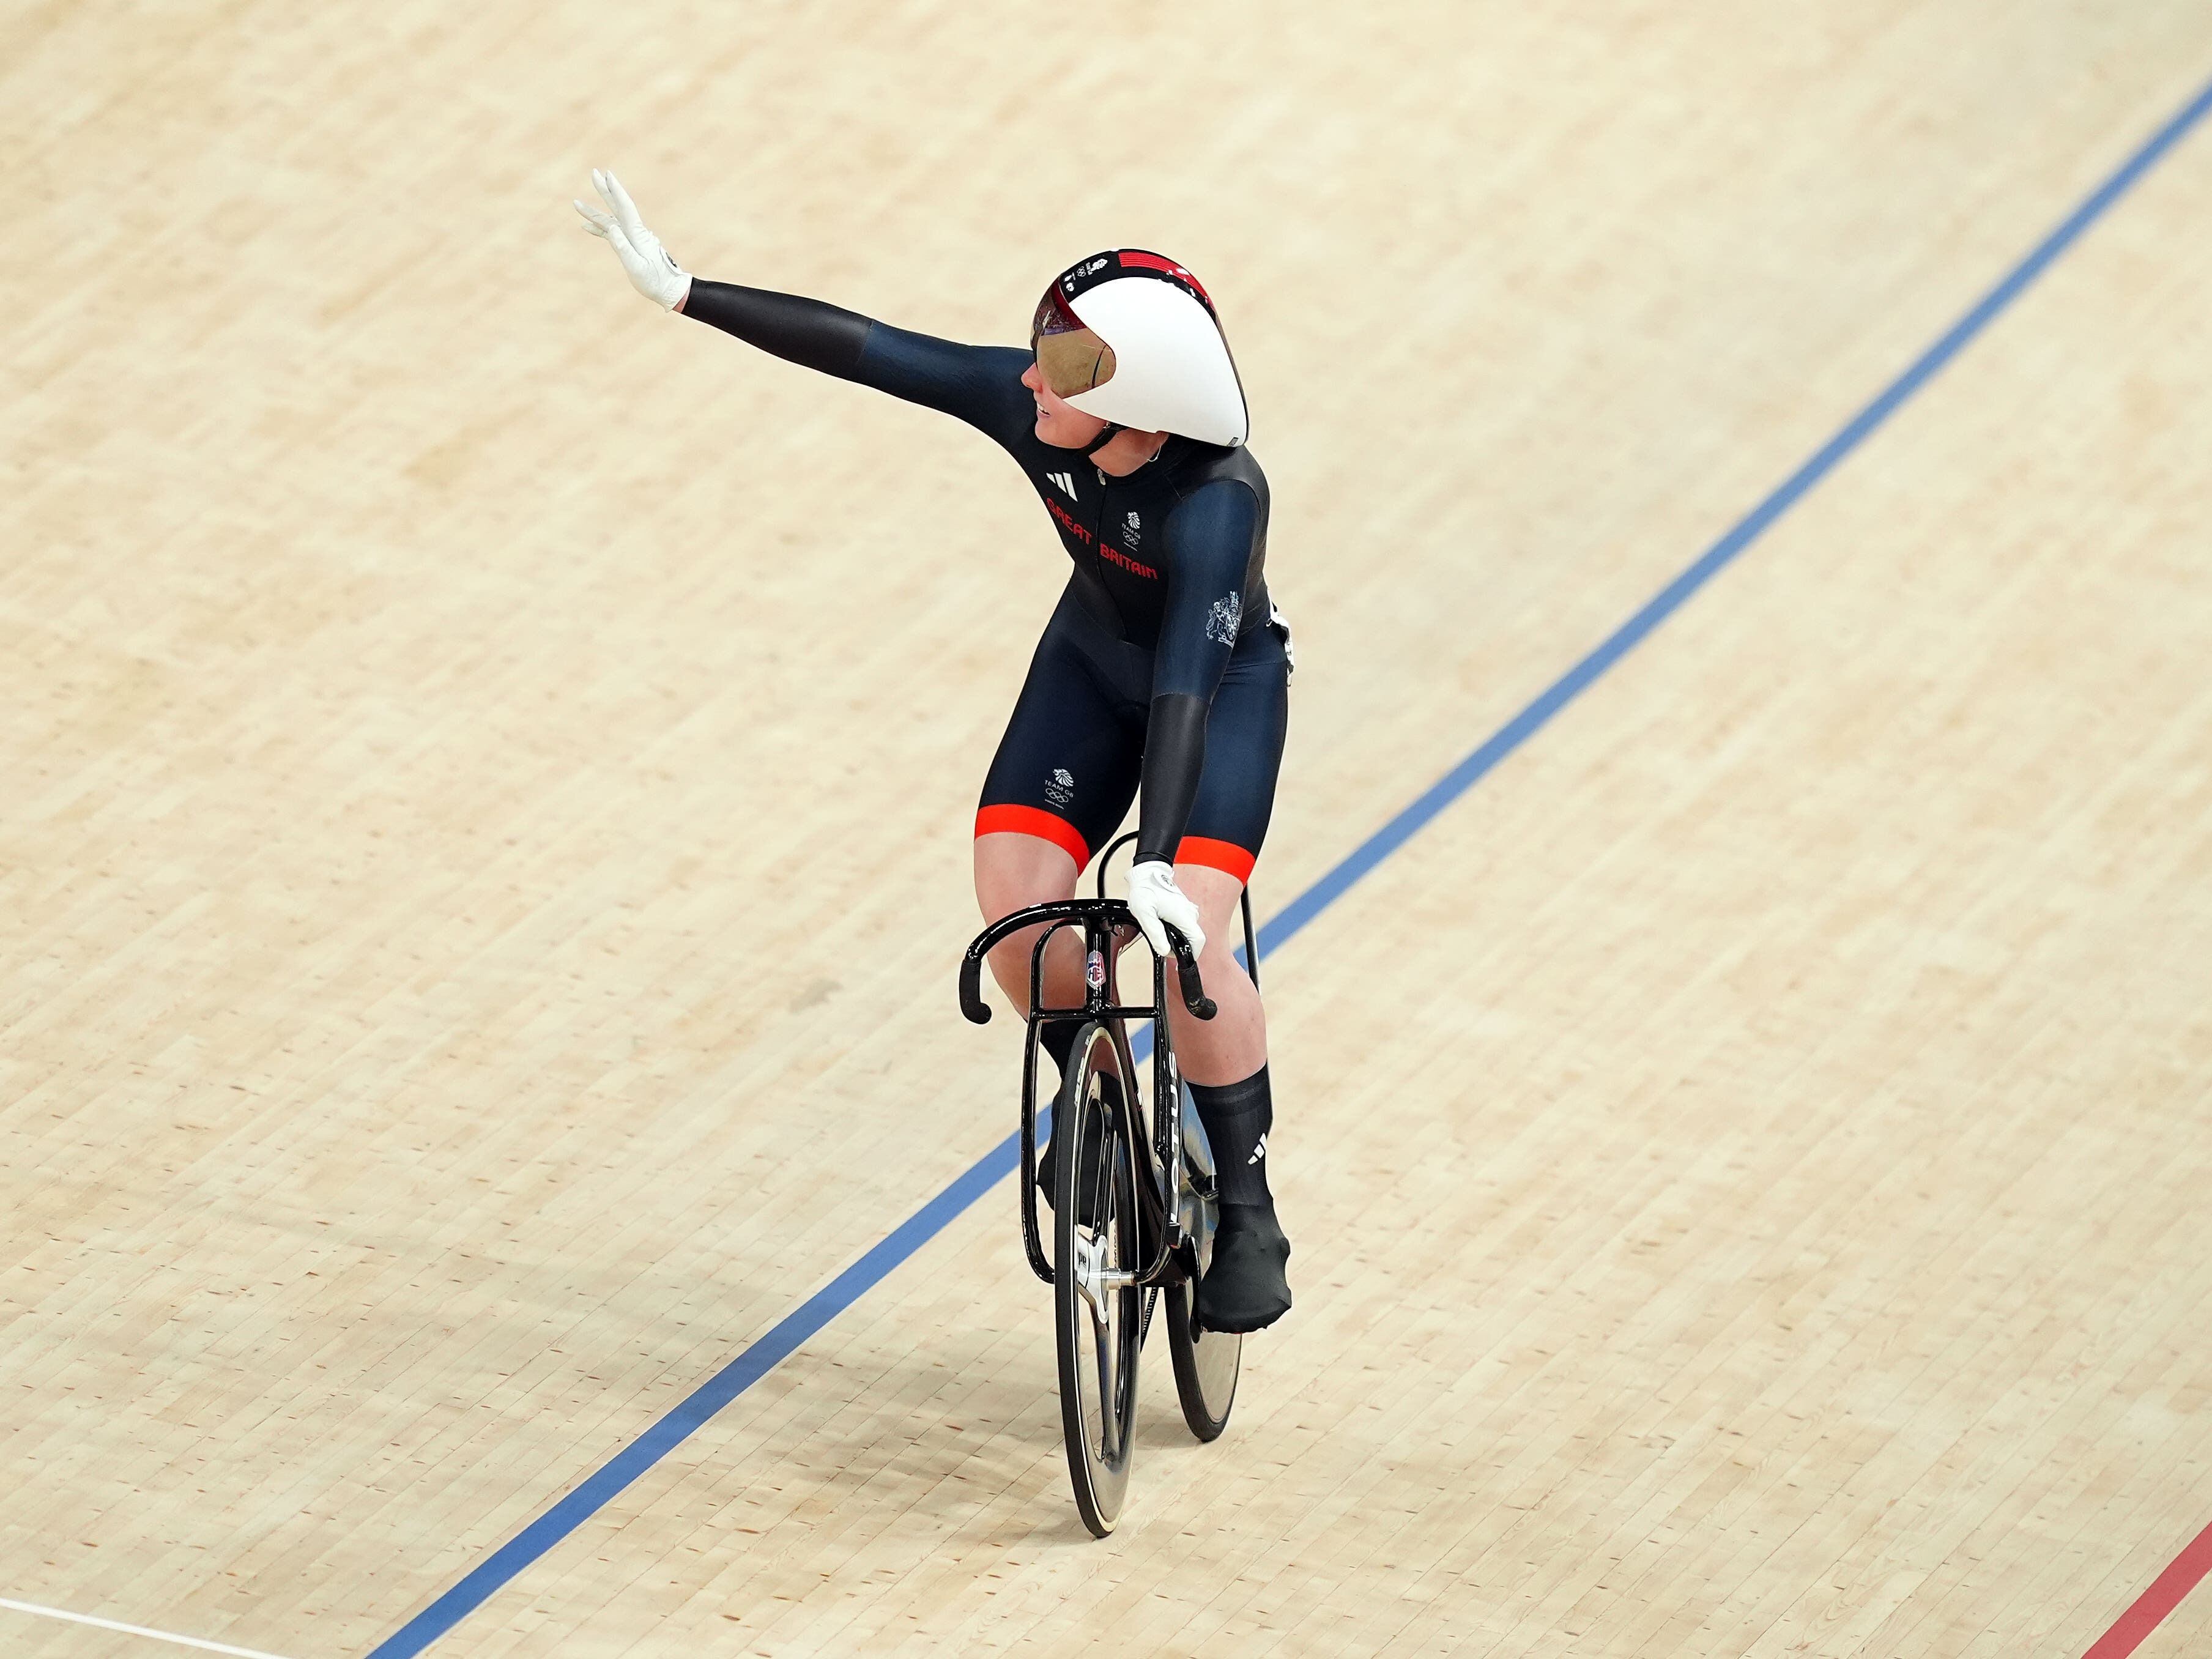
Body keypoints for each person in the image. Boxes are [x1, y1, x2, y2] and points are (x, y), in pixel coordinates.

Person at [574, 171, 1293, 1332]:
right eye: (1040, 348)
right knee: (1015, 919)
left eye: (1062, 366)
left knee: (1188, 947)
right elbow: (872, 348)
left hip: (1210, 697)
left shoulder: (1218, 504)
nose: (1027, 377)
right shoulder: (1036, 412)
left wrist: (1155, 861)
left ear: (1143, 404)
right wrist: (686, 292)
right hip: (1089, 665)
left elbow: (1185, 692)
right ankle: (1098, 1094)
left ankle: (1250, 1206)